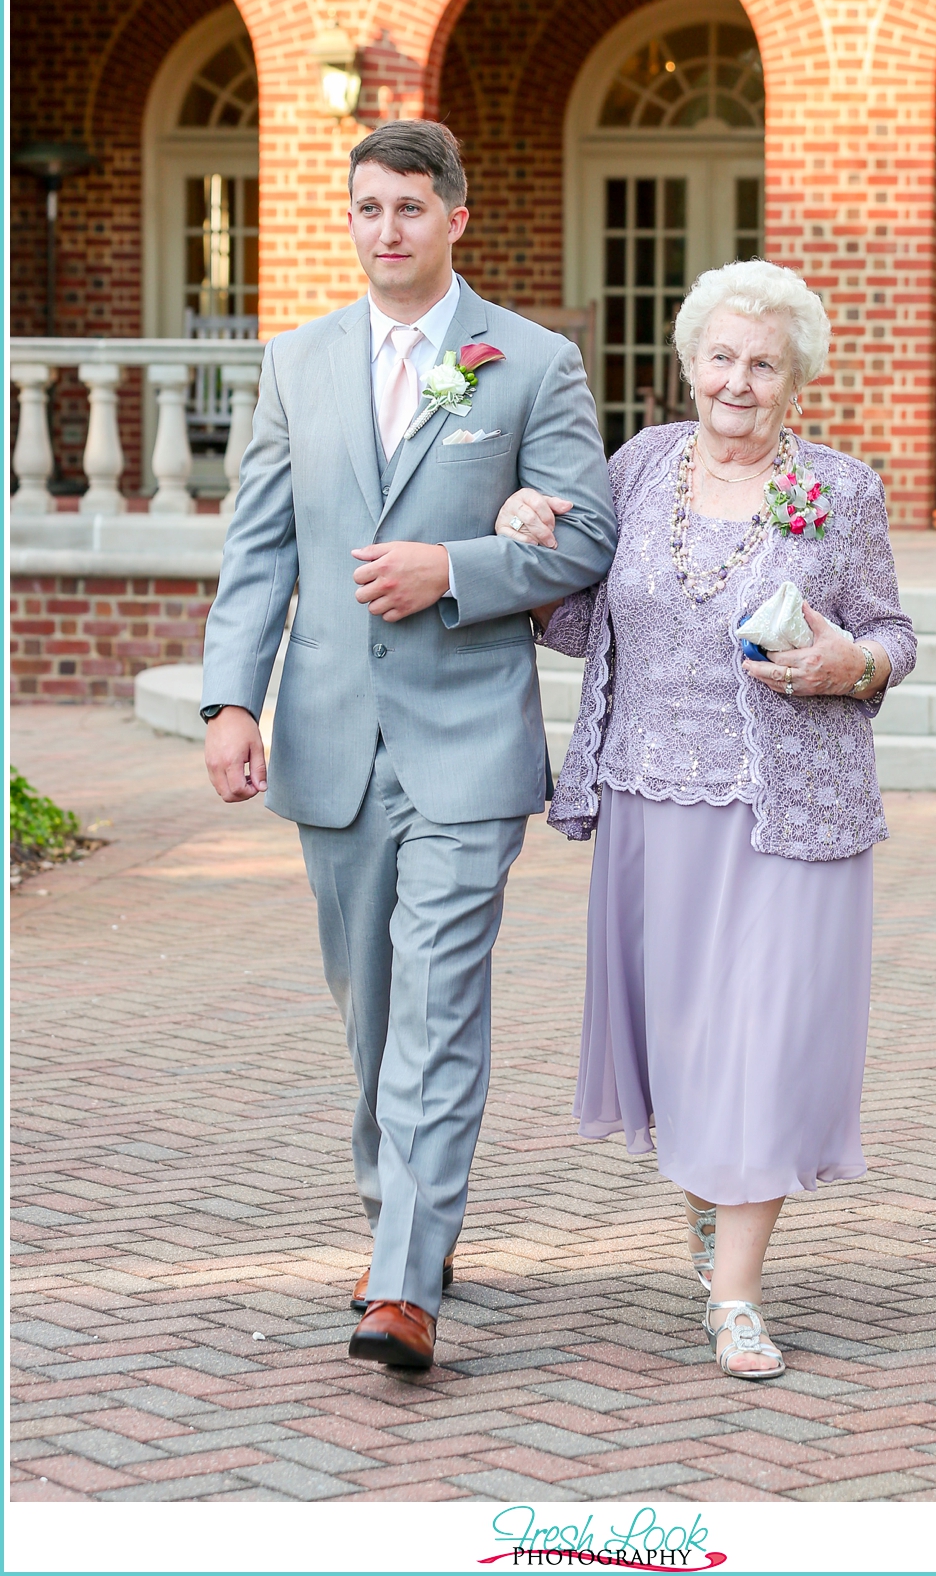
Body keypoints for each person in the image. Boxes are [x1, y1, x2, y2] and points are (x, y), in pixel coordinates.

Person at [200, 121, 617, 1371]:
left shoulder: (531, 364)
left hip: (467, 742)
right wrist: (232, 701)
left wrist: (460, 568)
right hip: (330, 737)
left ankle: (402, 1288)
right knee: (370, 1010)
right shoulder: (296, 363)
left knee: (437, 997)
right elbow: (258, 546)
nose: (388, 231)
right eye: (368, 209)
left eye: (411, 210)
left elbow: (589, 536)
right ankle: (408, 1230)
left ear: (456, 221)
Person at [493, 260, 916, 1380]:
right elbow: (578, 623)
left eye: (763, 363)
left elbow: (894, 636)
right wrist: (528, 535)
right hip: (650, 802)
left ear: (797, 380)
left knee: (762, 1037)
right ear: (689, 365)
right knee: (689, 1044)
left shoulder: (841, 489)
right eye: (722, 357)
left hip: (791, 810)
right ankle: (714, 1216)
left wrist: (850, 661)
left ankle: (735, 1294)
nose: (739, 381)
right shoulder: (634, 472)